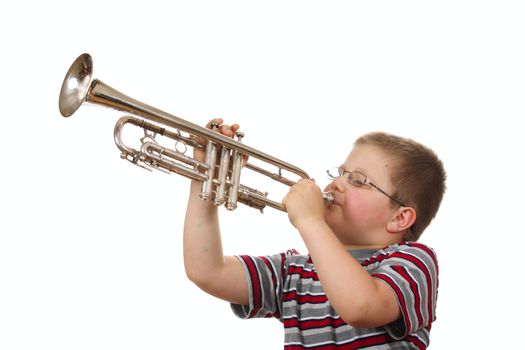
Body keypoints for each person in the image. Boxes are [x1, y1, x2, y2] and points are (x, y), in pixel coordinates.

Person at [183, 118, 446, 349]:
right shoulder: (293, 271)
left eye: (357, 180)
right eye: (341, 173)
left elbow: (361, 306)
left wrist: (310, 221)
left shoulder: (414, 262)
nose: (336, 184)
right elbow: (207, 271)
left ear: (399, 218)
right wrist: (206, 176)